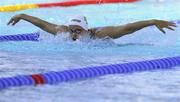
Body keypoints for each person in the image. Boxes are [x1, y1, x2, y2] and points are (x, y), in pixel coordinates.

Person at [7, 14, 177, 41]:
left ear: (86, 30)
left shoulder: (99, 35)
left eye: (78, 31)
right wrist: (22, 16)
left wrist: (152, 21)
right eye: (72, 30)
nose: (74, 35)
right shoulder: (63, 32)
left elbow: (127, 28)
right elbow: (43, 24)